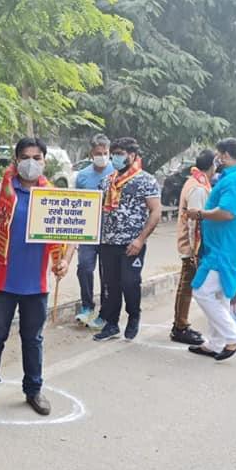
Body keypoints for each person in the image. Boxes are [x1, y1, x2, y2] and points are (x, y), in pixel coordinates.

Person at [0, 137, 73, 420]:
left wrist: (64, 261)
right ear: (15, 160)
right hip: (2, 281)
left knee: (33, 339)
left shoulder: (54, 196)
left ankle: (33, 391)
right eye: (25, 157)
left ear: (44, 161)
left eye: (37, 157)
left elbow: (73, 235)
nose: (31, 162)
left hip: (36, 284)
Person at [185, 138, 236, 361]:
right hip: (226, 245)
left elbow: (227, 212)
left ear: (224, 155)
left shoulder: (235, 180)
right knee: (220, 294)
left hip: (222, 248)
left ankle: (233, 336)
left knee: (201, 291)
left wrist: (200, 214)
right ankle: (216, 343)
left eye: (219, 155)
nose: (218, 159)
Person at [93, 138, 162, 342]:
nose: (116, 157)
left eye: (121, 153)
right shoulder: (106, 181)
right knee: (110, 285)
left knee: (130, 283)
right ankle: (111, 324)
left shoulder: (146, 180)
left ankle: (134, 317)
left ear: (132, 156)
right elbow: (95, 209)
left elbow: (155, 211)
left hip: (132, 243)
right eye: (114, 153)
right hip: (107, 242)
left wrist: (140, 240)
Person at [170, 149, 216, 346]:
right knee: (187, 285)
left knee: (187, 284)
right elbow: (194, 222)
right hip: (192, 245)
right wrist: (195, 251)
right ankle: (180, 326)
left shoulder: (197, 181)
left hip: (191, 244)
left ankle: (181, 324)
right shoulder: (198, 187)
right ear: (212, 165)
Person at [73, 134, 114, 328]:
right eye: (99, 153)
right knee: (84, 268)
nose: (102, 156)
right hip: (88, 232)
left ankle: (105, 311)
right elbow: (77, 204)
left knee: (107, 274)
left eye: (105, 153)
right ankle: (87, 306)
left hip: (109, 234)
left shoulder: (116, 173)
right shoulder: (82, 176)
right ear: (92, 153)